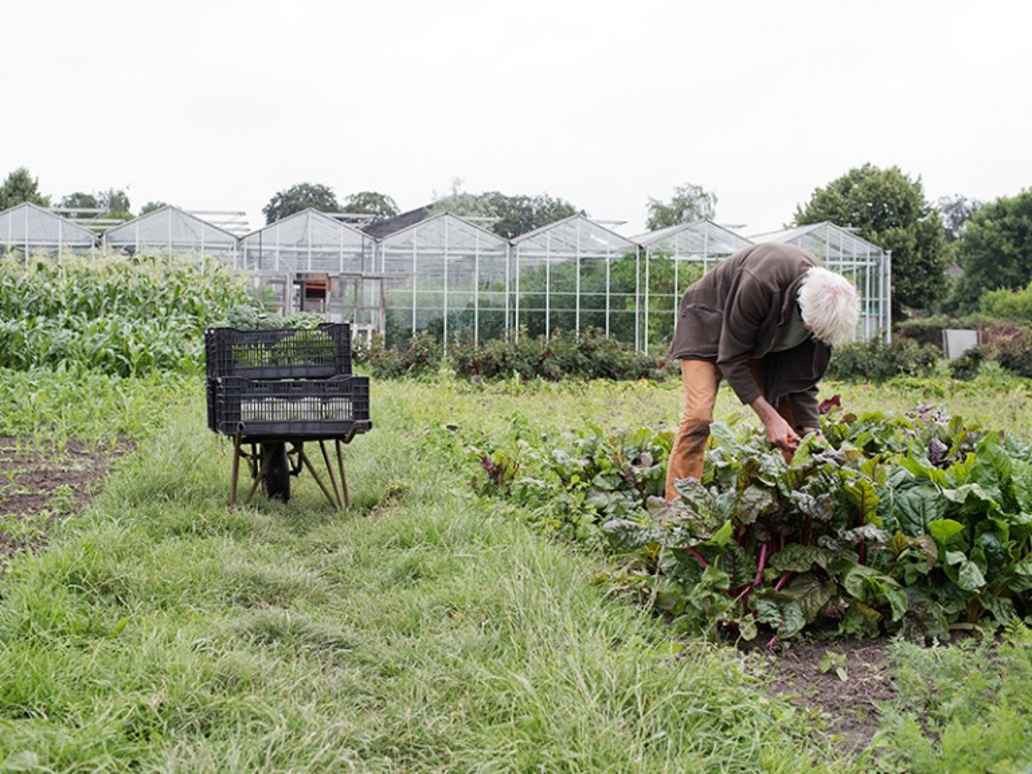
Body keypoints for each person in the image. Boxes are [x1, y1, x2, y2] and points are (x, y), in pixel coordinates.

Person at [664, 242, 859, 501]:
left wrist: (811, 431)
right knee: (698, 416)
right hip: (708, 322)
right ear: (802, 307)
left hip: (760, 339)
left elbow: (802, 382)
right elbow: (731, 358)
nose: (812, 335)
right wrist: (769, 418)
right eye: (810, 328)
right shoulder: (762, 282)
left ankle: (796, 507)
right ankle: (679, 514)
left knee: (794, 429)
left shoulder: (825, 315)